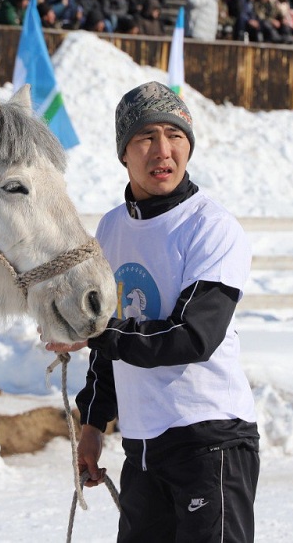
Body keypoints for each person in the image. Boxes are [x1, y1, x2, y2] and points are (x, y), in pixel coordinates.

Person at [46, 81, 258, 543]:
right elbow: (109, 348)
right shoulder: (111, 227)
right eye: (146, 137)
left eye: (174, 135)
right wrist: (93, 426)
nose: (163, 150)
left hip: (211, 438)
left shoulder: (212, 228)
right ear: (124, 151)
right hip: (143, 446)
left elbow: (193, 336)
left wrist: (96, 331)